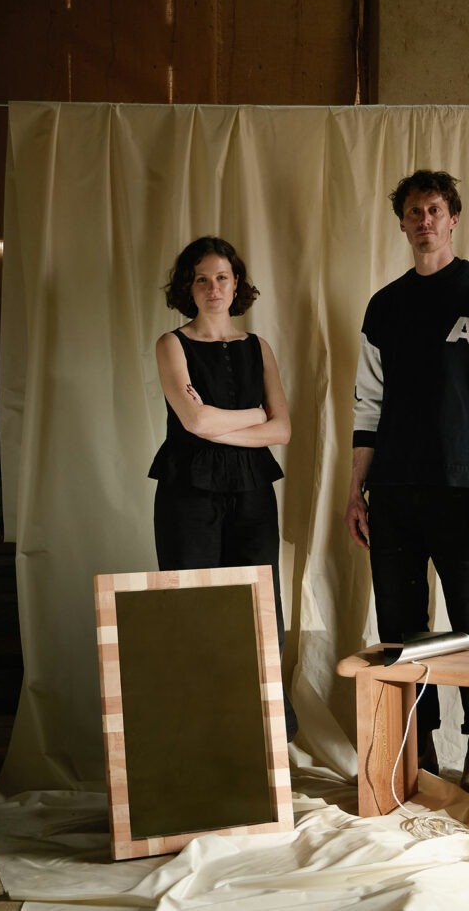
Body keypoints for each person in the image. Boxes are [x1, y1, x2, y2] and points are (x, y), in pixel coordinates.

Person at [344, 170, 469, 789]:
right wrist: (356, 491)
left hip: (465, 493)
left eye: (434, 210)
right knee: (402, 630)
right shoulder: (385, 306)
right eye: (413, 212)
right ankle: (414, 749)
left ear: (453, 219)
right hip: (393, 492)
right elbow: (368, 406)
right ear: (401, 224)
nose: (424, 220)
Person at [149, 235, 297, 740]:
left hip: (253, 490)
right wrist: (255, 413)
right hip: (187, 491)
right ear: (187, 287)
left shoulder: (259, 347)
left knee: (260, 610)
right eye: (202, 279)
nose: (213, 288)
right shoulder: (171, 344)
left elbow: (282, 430)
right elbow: (193, 422)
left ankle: (262, 739)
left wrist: (220, 421)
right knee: (194, 610)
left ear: (237, 285)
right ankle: (197, 739)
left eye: (222, 277)